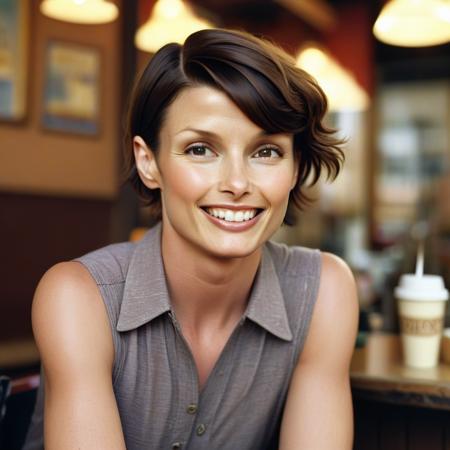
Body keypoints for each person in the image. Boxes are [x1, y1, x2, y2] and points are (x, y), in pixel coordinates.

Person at [23, 28, 358, 450]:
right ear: (149, 162)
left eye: (266, 151)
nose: (237, 182)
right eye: (200, 149)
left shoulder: (323, 291)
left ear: (294, 169)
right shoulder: (79, 296)